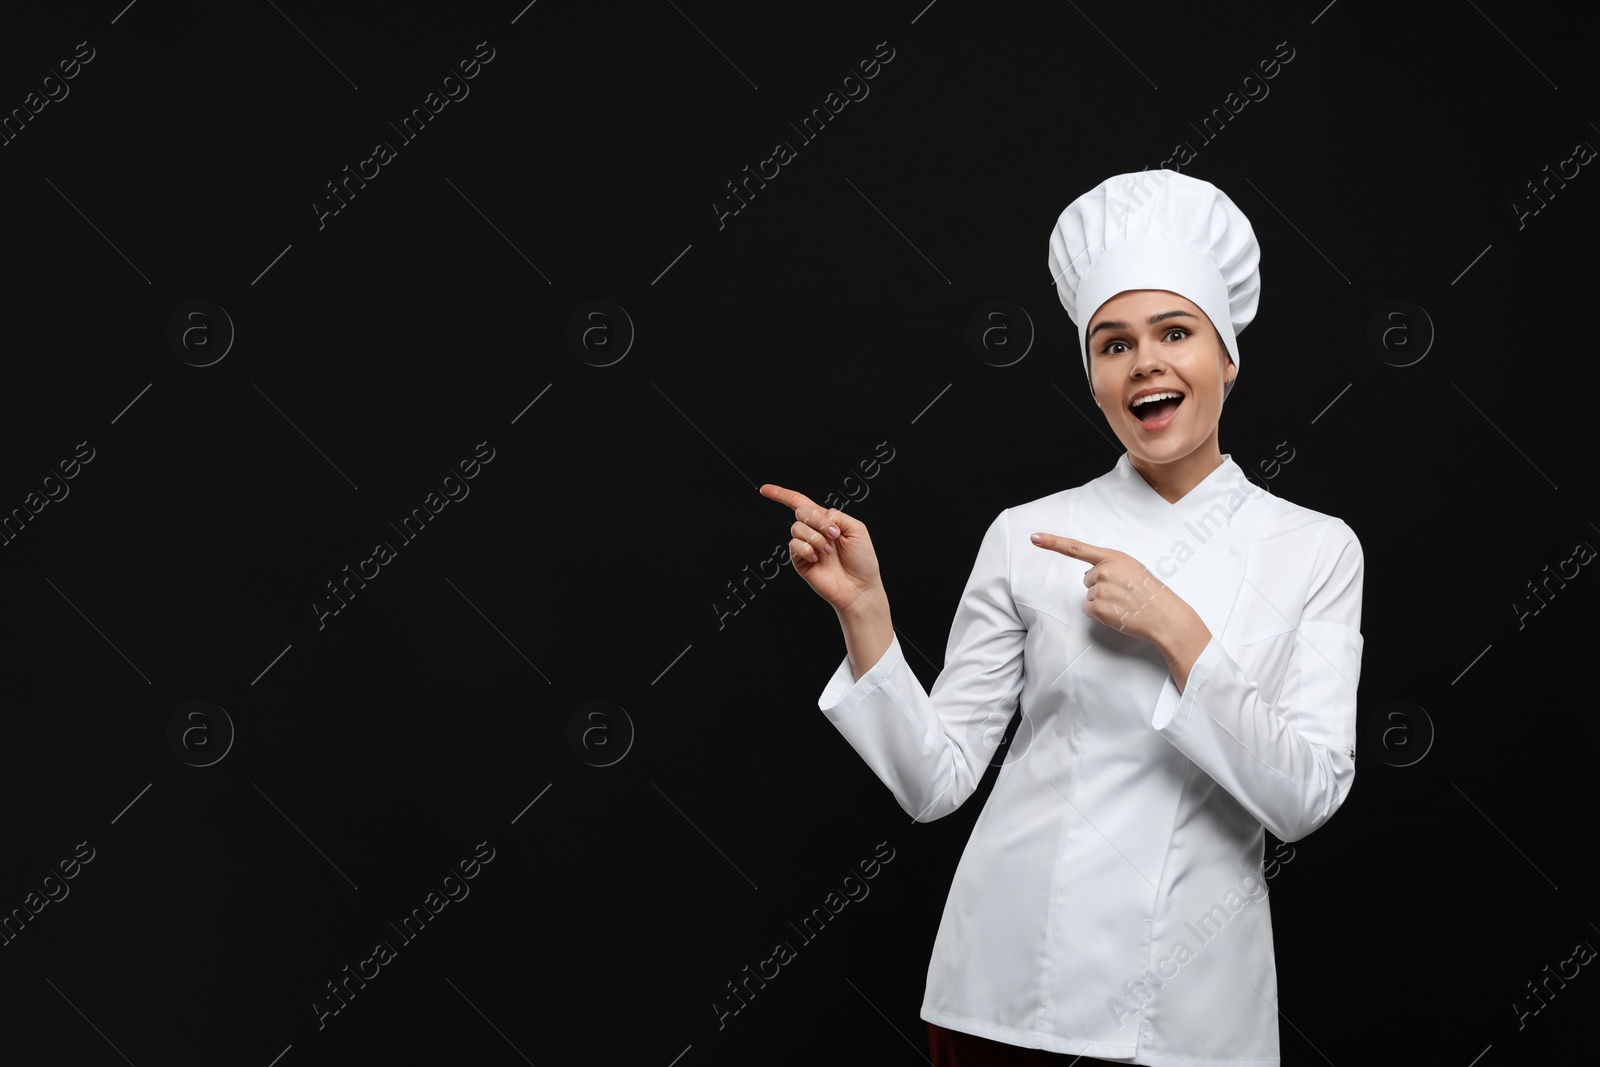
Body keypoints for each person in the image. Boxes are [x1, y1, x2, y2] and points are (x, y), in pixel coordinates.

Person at [759, 170, 1365, 1066]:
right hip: (1009, 995)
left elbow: (1306, 799)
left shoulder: (1314, 548)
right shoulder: (1026, 534)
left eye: (1175, 332)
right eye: (1113, 344)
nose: (1146, 362)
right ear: (1092, 377)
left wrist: (1176, 628)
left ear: (1227, 355)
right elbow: (937, 784)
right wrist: (865, 613)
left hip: (1193, 1013)